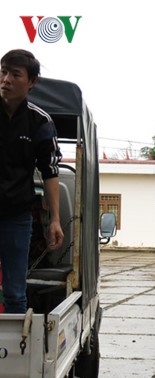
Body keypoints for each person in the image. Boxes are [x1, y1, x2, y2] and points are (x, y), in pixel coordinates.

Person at [0, 49, 63, 313]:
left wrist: (56, 220)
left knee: (15, 292)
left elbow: (49, 172)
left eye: (15, 74)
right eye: (3, 72)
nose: (6, 80)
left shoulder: (39, 121)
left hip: (17, 217)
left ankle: (13, 353)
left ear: (32, 82)